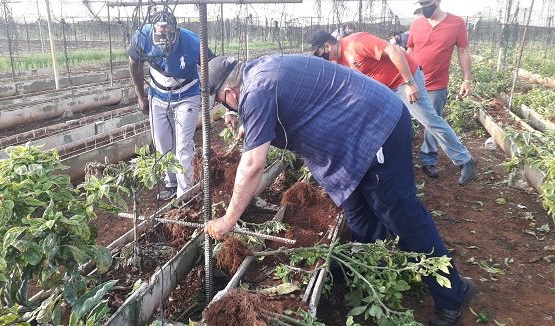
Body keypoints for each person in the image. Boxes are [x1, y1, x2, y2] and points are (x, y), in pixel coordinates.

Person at [205, 55, 476, 326]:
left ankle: (453, 294)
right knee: (358, 216)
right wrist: (250, 126)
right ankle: (374, 277)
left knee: (403, 217)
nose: (226, 107)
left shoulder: (256, 91)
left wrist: (228, 220)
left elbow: (253, 165)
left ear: (230, 92)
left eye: (222, 102)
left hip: (376, 129)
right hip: (351, 139)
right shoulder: (258, 73)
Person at [308, 30, 475, 185]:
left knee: (429, 120)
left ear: (327, 46)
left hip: (403, 81)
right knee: (378, 126)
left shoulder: (356, 43)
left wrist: (410, 83)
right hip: (384, 89)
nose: (320, 57)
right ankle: (386, 170)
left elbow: (394, 50)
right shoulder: (339, 60)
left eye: (319, 53)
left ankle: (464, 159)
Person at [128, 10, 213, 200]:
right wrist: (140, 95)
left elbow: (212, 64)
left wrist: (210, 95)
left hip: (187, 93)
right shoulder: (142, 37)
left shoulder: (191, 42)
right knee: (162, 143)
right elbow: (134, 64)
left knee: (183, 145)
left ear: (175, 31)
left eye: (169, 36)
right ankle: (171, 182)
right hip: (157, 94)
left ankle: (185, 192)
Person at [407, 0, 474, 180]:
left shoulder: (456, 23)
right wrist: (407, 80)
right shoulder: (416, 24)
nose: (424, 7)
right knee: (406, 117)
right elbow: (410, 49)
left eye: (427, 3)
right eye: (421, 3)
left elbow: (463, 51)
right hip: (413, 82)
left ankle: (428, 160)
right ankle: (405, 155)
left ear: (438, 1)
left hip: (437, 83)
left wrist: (466, 79)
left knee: (433, 122)